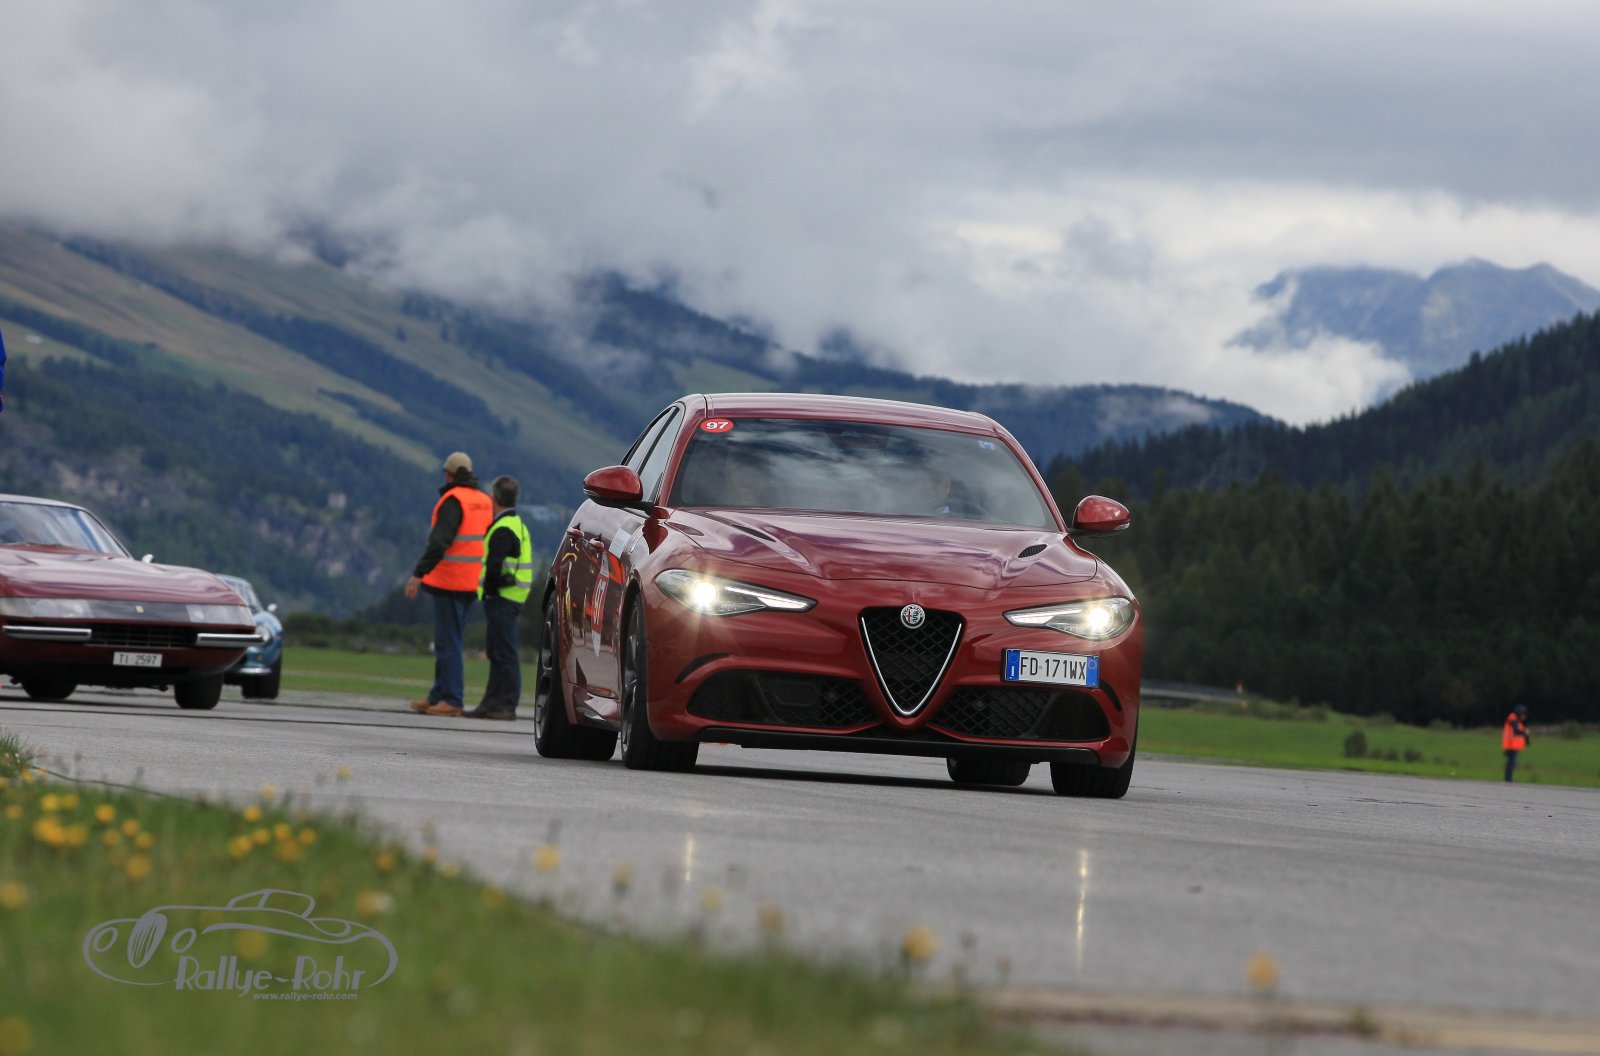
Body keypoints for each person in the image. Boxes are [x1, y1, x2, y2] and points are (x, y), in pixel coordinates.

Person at [405, 452, 492, 717]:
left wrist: (418, 574)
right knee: (449, 639)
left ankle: (452, 699)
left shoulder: (453, 501)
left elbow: (439, 543)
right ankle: (437, 696)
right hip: (473, 582)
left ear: (448, 474)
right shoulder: (483, 501)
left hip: (450, 581)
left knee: (448, 643)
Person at [466, 475, 533, 721]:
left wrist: (491, 590)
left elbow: (494, 567)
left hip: (502, 598)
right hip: (513, 597)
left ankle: (505, 704)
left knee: (503, 653)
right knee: (498, 652)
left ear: (493, 498)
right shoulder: (517, 524)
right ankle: (491, 703)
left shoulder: (502, 528)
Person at [1502, 704, 1530, 782]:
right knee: (1511, 763)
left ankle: (1508, 780)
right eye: (1523, 714)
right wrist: (1524, 732)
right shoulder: (1513, 720)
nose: (1524, 717)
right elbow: (1516, 731)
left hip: (1514, 746)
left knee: (1512, 763)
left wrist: (1526, 739)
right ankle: (1508, 780)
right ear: (1519, 713)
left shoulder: (1517, 722)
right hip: (1512, 745)